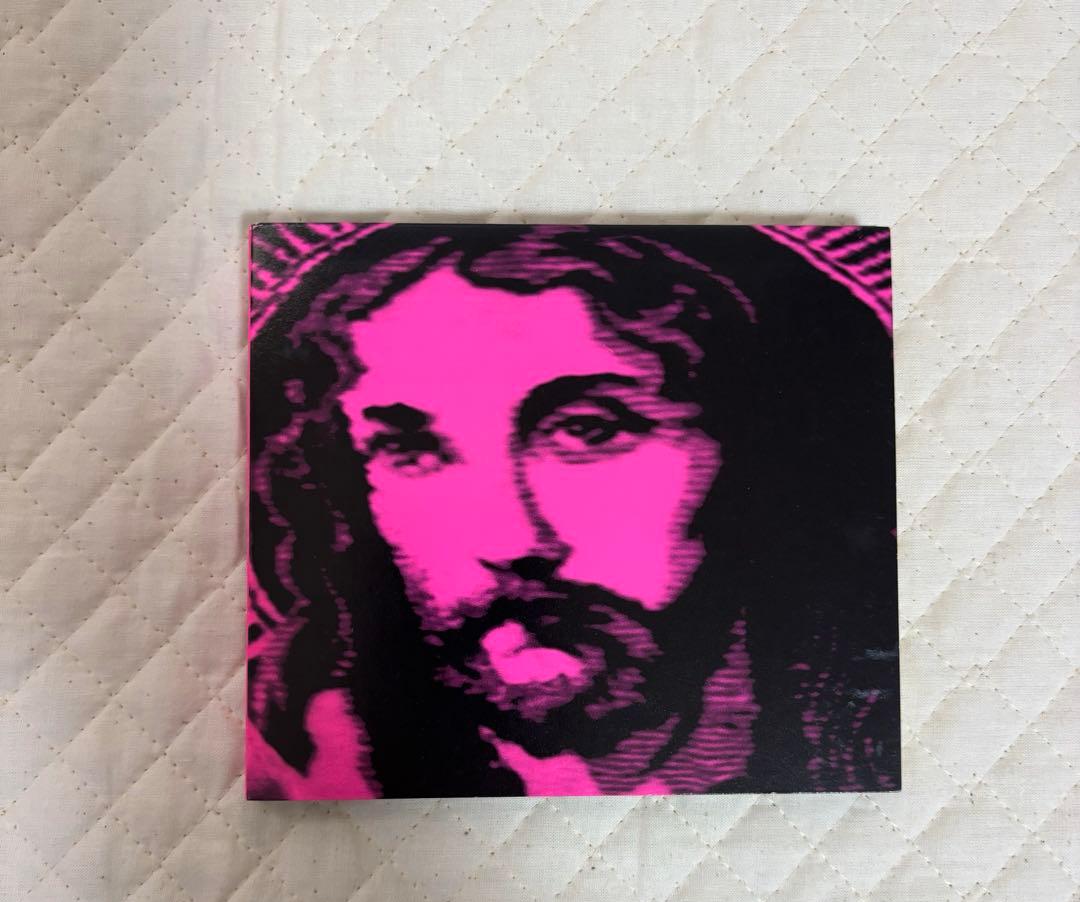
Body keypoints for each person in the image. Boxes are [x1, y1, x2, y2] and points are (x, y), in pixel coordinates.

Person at [247, 224, 899, 798]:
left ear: (749, 450)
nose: (511, 538)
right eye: (411, 450)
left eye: (589, 430)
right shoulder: (298, 747)